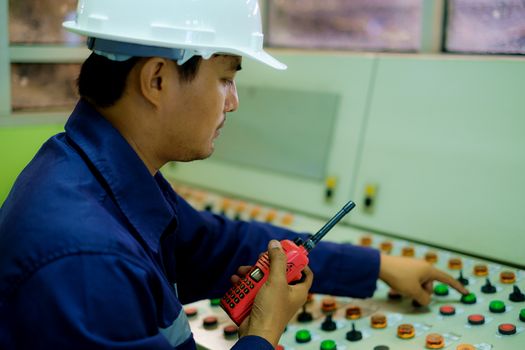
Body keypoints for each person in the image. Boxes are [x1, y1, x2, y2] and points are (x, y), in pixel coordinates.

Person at [0, 1, 468, 349]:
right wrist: (263, 332)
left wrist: (379, 267)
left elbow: (219, 245)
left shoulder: (99, 174)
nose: (233, 101)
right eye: (226, 77)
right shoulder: (87, 262)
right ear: (157, 80)